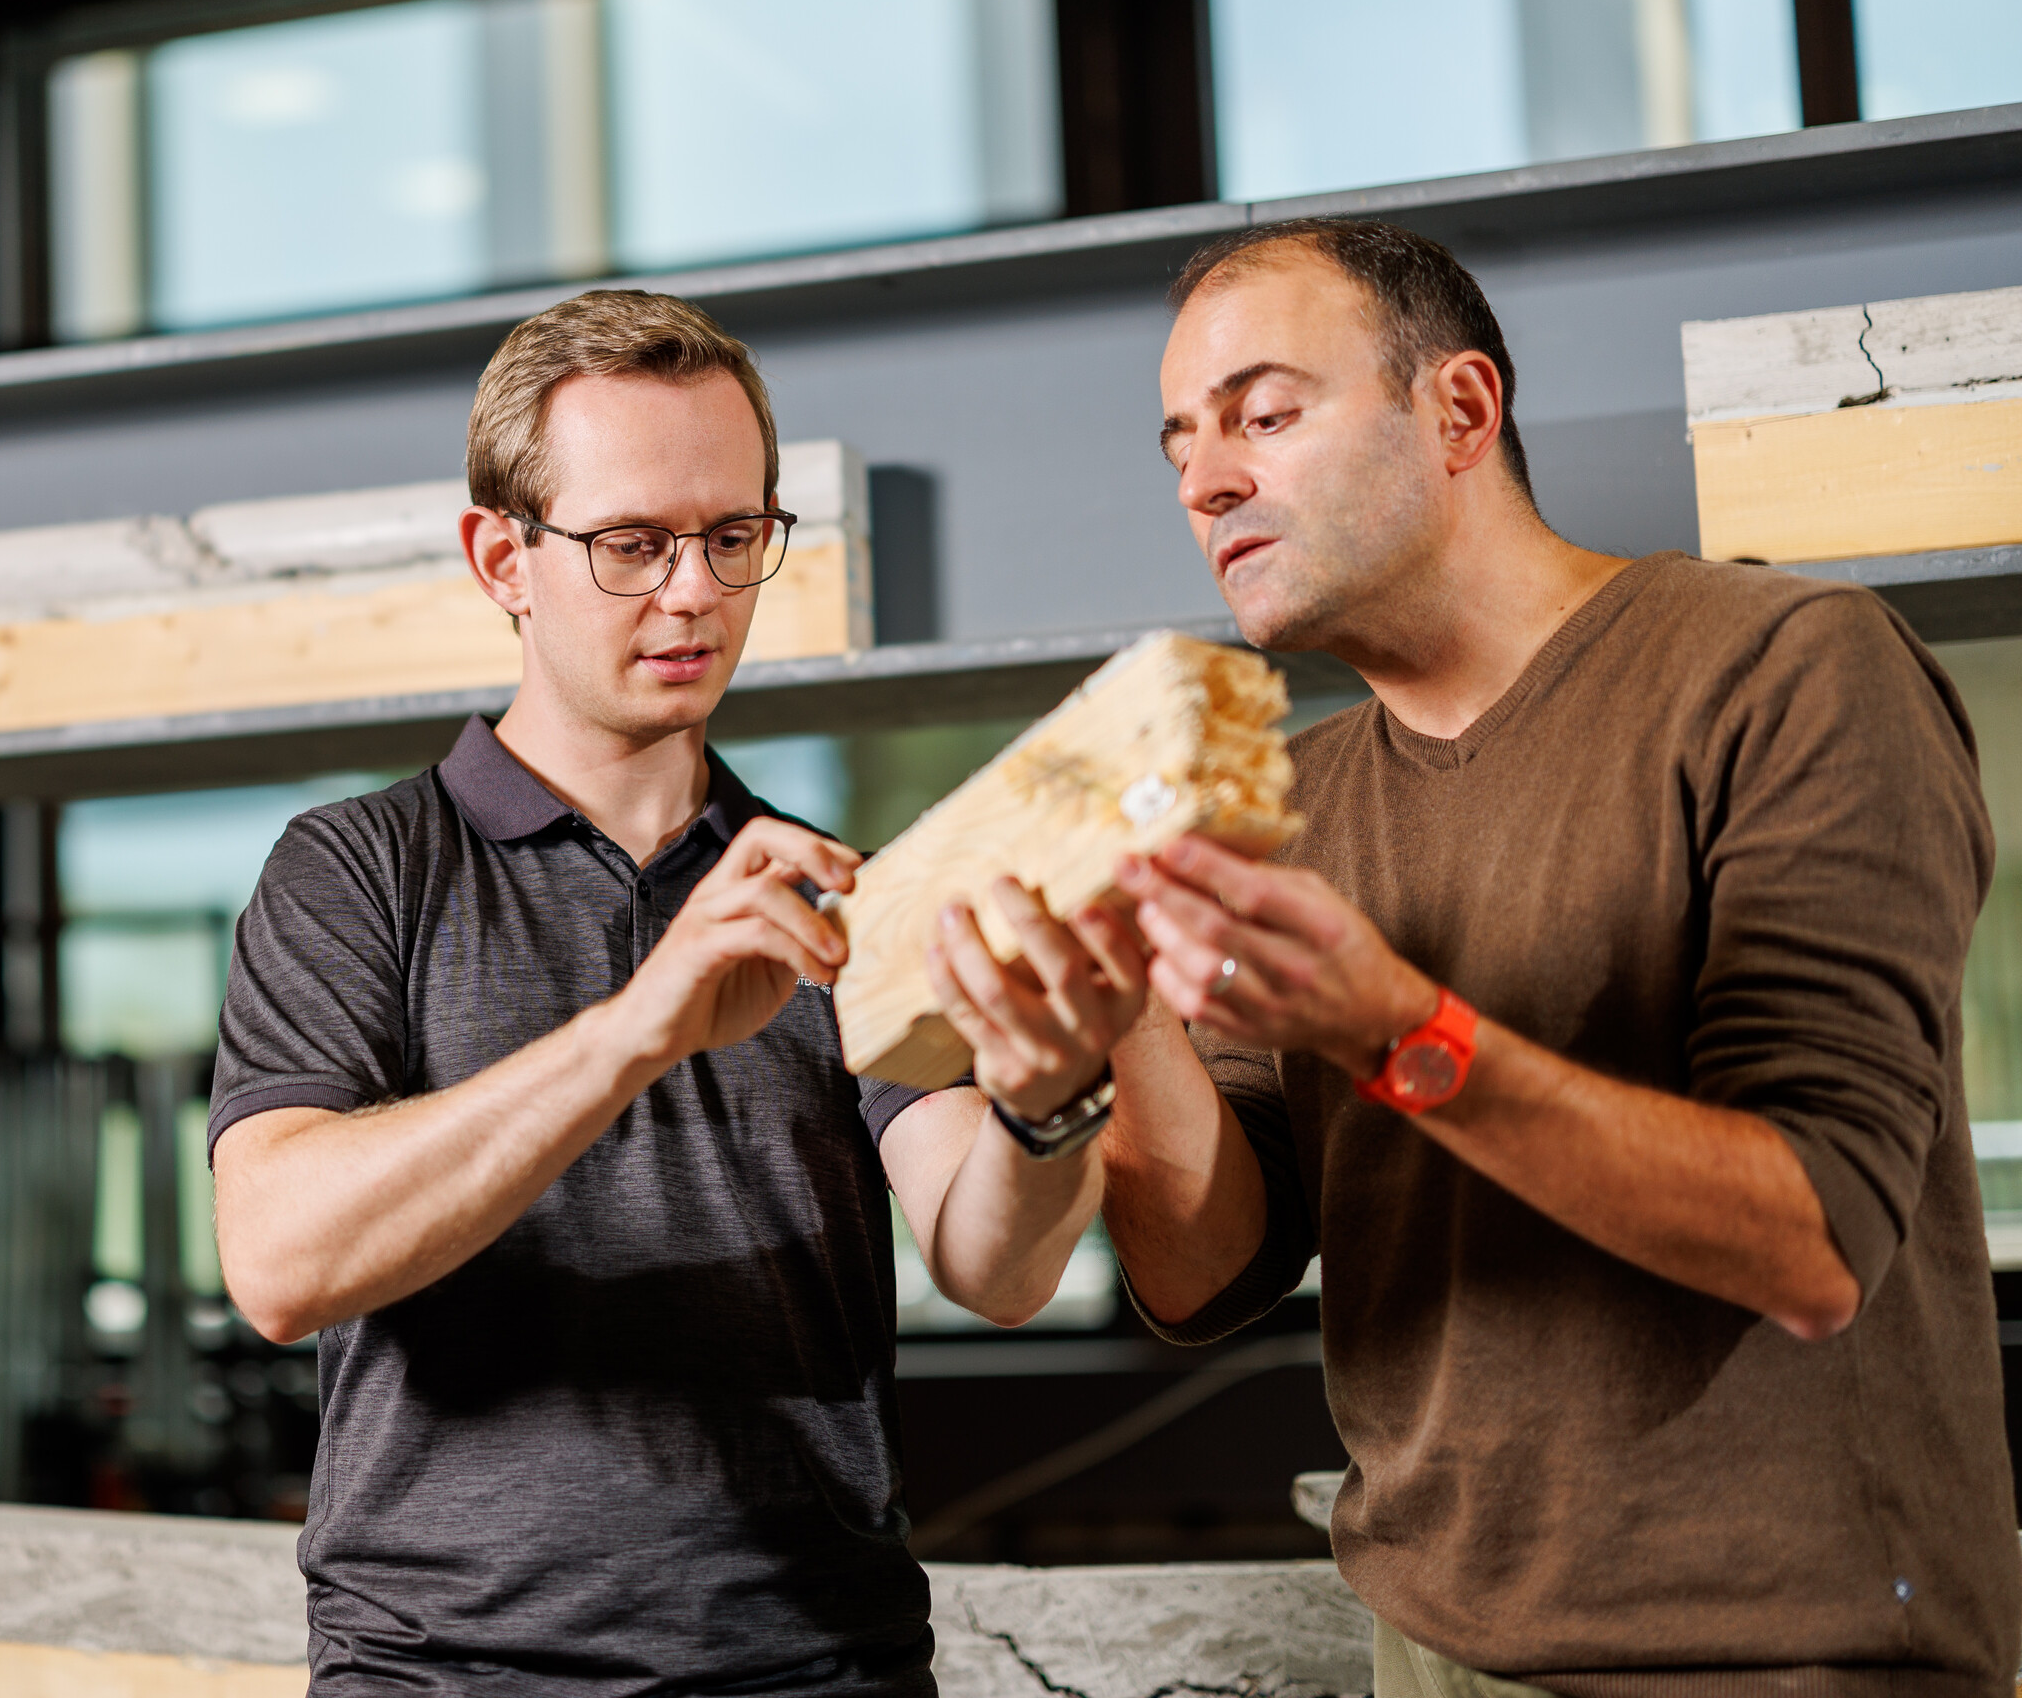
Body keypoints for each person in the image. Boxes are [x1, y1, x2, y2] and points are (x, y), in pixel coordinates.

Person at [1058, 217, 2013, 1696]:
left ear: (1460, 411)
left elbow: (1815, 1239)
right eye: (1180, 441)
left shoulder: (1788, 669)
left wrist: (1392, 1031)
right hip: (1434, 1646)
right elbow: (1206, 1274)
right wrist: (1119, 1018)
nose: (1206, 478)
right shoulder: (1289, 806)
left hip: (1788, 1649)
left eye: (1265, 413)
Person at [208, 288, 1148, 1696]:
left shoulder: (844, 895)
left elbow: (994, 1264)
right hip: (449, 1677)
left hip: (817, 1670)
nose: (694, 591)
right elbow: (282, 1262)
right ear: (502, 558)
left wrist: (1051, 1100)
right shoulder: (358, 871)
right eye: (632, 544)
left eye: (731, 537)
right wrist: (640, 1029)